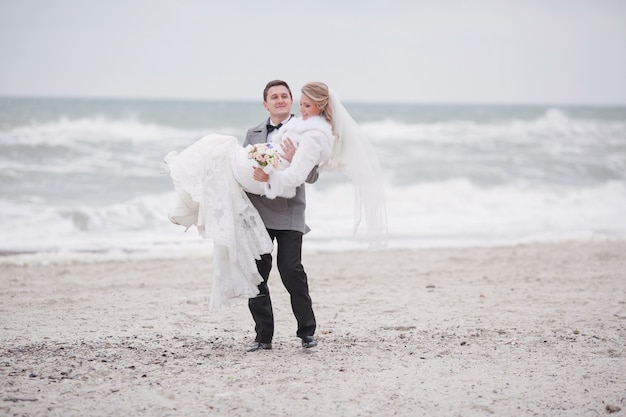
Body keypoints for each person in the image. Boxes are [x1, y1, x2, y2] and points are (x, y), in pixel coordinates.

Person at [164, 80, 387, 348]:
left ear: (291, 100)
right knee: (256, 273)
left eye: (285, 96)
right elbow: (240, 169)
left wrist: (294, 159)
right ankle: (263, 337)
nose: (280, 100)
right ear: (265, 103)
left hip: (290, 211)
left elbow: (312, 176)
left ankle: (306, 331)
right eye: (274, 96)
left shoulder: (306, 128)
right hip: (256, 213)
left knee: (292, 271)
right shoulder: (253, 132)